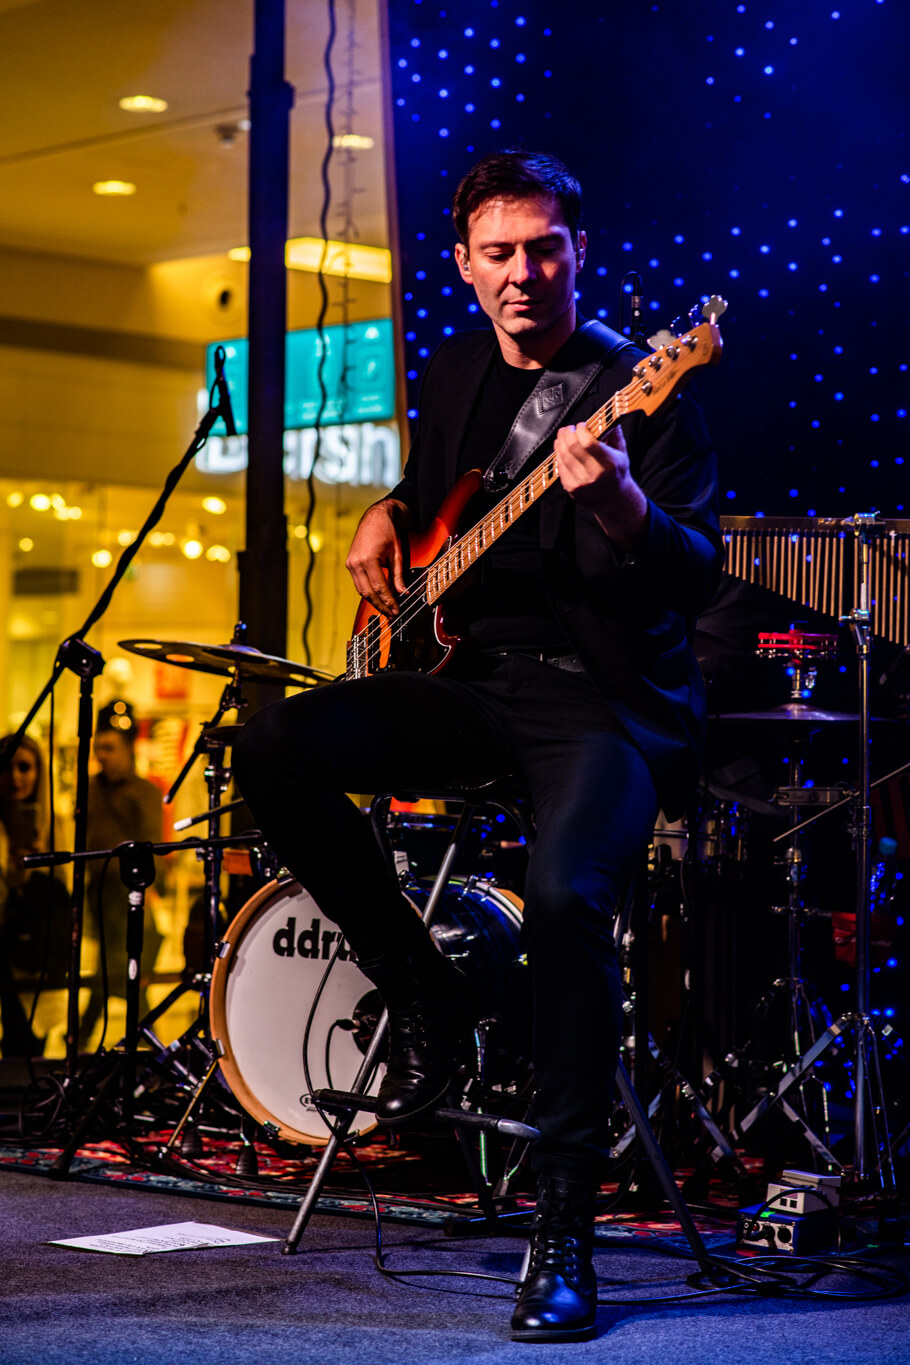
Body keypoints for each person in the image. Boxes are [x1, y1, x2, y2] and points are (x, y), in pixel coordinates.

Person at [233, 149, 722, 1342]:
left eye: (543, 248)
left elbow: (696, 576)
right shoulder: (453, 370)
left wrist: (616, 503)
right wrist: (382, 514)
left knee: (562, 900)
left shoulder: (644, 384)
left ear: (578, 252)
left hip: (601, 704)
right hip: (470, 685)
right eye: (497, 252)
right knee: (274, 745)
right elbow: (427, 493)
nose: (521, 272)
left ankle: (563, 1227)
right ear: (462, 264)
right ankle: (426, 997)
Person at [79, 702, 164, 1047]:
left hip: (131, 894)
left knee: (122, 972)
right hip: (99, 894)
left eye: (109, 748)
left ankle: (88, 1034)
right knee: (114, 971)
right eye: (99, 747)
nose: (102, 756)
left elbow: (153, 847)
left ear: (128, 748)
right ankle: (146, 1040)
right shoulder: (90, 788)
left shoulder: (145, 792)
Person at [0, 733, 63, 1056]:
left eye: (24, 767)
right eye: (6, 767)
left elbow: (64, 893)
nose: (15, 777)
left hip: (34, 959)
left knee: (27, 1050)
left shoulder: (55, 825)